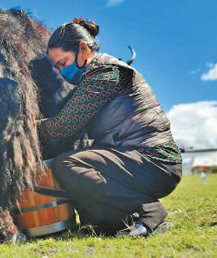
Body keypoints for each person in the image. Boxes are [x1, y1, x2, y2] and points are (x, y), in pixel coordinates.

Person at [38, 18, 182, 237]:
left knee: (68, 163)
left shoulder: (106, 74)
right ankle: (117, 222)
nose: (61, 72)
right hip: (135, 158)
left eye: (63, 63)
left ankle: (148, 210)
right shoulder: (95, 75)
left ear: (83, 49)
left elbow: (63, 127)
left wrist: (26, 127)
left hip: (155, 161)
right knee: (77, 170)